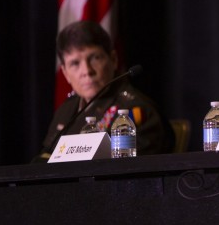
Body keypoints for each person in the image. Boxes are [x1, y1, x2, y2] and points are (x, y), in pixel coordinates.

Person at [35, 21, 175, 162]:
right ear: (65, 73)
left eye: (95, 58)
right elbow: (45, 159)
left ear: (113, 60)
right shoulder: (66, 110)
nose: (87, 71)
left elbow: (134, 173)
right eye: (75, 63)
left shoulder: (137, 111)